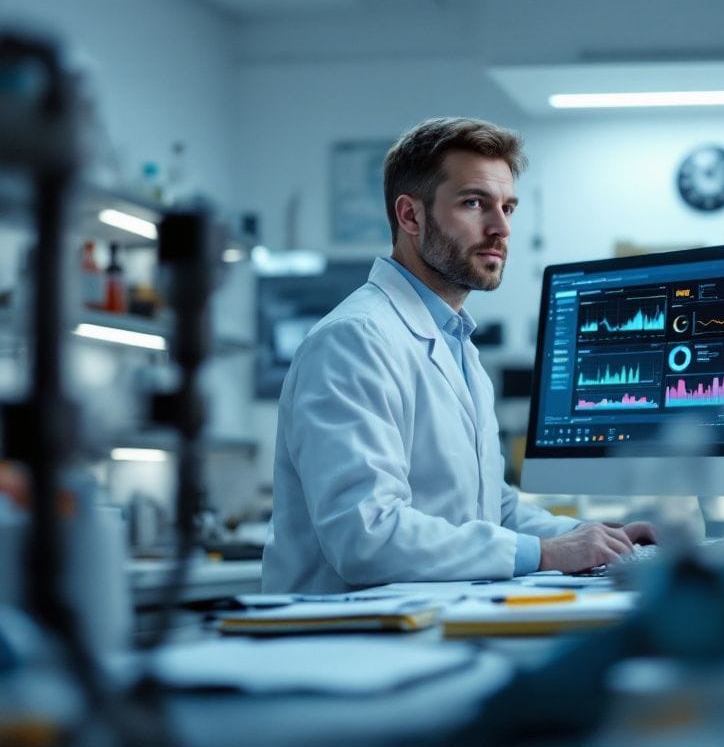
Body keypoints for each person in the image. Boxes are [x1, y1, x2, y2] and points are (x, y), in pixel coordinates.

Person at [263, 117, 655, 593]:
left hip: (428, 622)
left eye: (508, 207)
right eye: (475, 203)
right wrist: (547, 553)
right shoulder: (355, 339)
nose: (501, 228)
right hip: (345, 643)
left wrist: (587, 538)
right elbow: (366, 536)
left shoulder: (457, 345)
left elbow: (493, 508)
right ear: (410, 216)